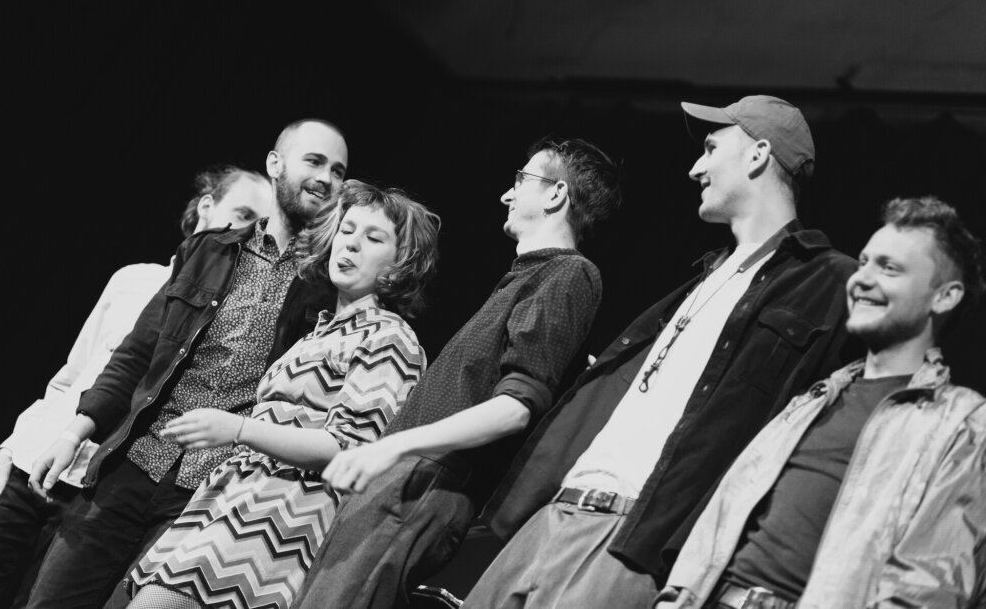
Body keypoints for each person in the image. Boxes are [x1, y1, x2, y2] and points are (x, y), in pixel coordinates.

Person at [463, 96, 858, 608]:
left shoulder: (828, 283)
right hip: (551, 516)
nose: (695, 167)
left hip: (631, 536)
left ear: (759, 155)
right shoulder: (704, 276)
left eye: (712, 148)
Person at [22, 118, 348, 609]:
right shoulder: (210, 248)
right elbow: (137, 353)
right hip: (131, 464)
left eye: (339, 170)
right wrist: (74, 434)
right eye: (315, 161)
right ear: (275, 164)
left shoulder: (328, 289)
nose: (327, 178)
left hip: (208, 498)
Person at [295, 137, 622, 609]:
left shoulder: (569, 274)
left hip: (425, 484)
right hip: (401, 482)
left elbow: (514, 409)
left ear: (555, 195)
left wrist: (395, 445)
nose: (506, 195)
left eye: (520, 180)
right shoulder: (528, 275)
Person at [0, 164, 271, 609]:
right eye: (241, 214)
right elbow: (71, 377)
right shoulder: (133, 279)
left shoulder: (232, 311)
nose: (246, 231)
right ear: (207, 206)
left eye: (256, 223)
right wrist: (11, 448)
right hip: (38, 466)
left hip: (94, 486)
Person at [657, 196, 986, 609]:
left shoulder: (961, 421)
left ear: (945, 296)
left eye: (889, 268)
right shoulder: (816, 396)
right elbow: (724, 515)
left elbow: (926, 585)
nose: (862, 278)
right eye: (864, 261)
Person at [125, 180, 441, 609]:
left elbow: (348, 447)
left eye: (373, 238)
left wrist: (238, 427)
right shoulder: (320, 330)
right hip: (236, 499)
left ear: (399, 265)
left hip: (282, 516)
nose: (351, 245)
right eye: (347, 231)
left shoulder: (389, 337)